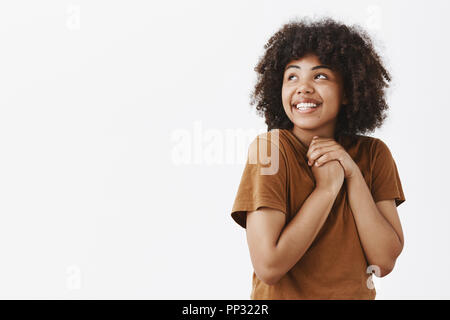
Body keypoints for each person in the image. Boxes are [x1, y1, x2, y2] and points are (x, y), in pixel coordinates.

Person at [230, 17, 406, 300]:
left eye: (320, 76)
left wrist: (352, 175)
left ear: (348, 91)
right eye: (292, 76)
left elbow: (384, 261)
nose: (304, 87)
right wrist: (326, 189)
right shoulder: (270, 151)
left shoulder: (374, 155)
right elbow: (269, 266)